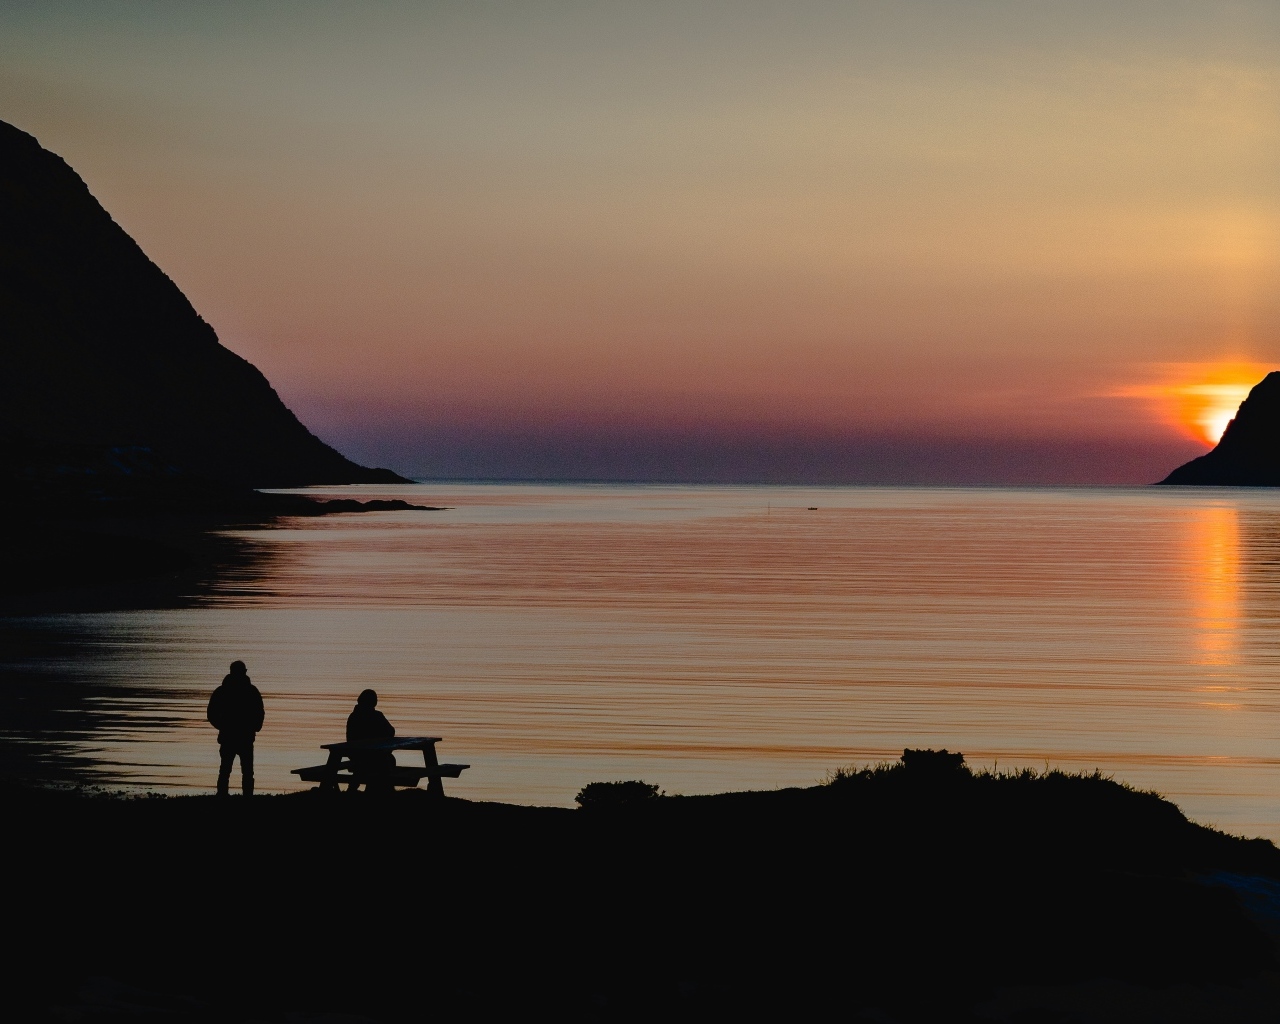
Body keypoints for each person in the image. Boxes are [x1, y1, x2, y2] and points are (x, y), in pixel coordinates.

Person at [207, 661, 265, 797]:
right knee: (245, 771)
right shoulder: (251, 691)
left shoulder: (222, 691)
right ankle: (246, 797)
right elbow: (259, 712)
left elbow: (211, 713)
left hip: (232, 736)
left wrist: (222, 726)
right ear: (244, 672)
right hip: (243, 736)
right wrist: (255, 726)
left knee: (226, 771)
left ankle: (223, 796)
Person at [346, 689, 396, 788]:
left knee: (382, 760)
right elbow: (391, 731)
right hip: (370, 755)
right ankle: (383, 788)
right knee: (387, 760)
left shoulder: (353, 716)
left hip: (355, 754)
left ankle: (358, 788)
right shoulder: (377, 716)